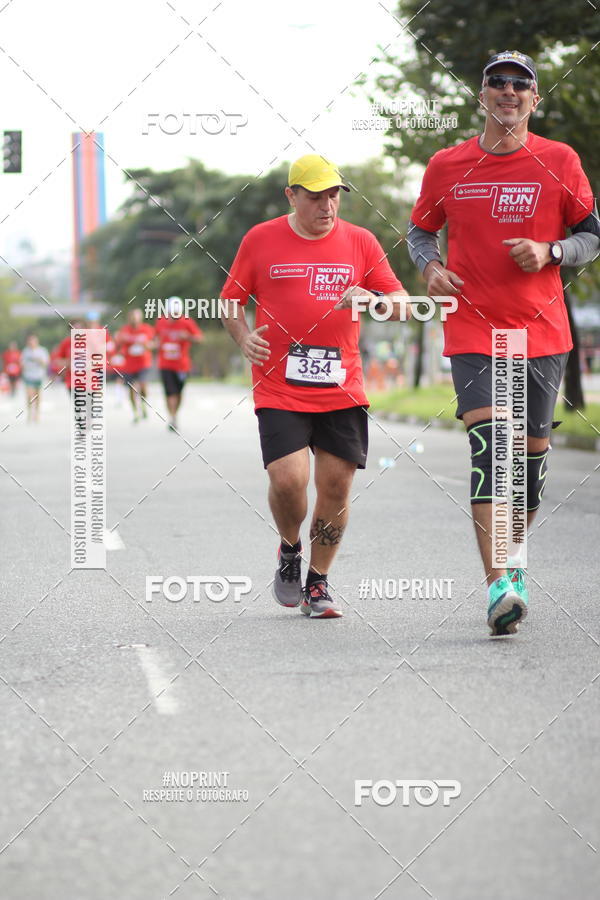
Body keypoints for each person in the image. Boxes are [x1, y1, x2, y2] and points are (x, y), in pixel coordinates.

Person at [407, 50, 600, 635]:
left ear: (534, 99)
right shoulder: (447, 164)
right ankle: (500, 583)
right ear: (483, 95)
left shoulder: (559, 161)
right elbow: (421, 231)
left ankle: (512, 563)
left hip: (542, 332)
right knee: (494, 452)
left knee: (531, 466)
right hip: (473, 328)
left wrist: (553, 252)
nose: (509, 92)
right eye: (498, 83)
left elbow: (591, 233)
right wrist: (429, 267)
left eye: (521, 85)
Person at [220, 154, 407, 619]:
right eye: (315, 196)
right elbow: (229, 301)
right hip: (279, 384)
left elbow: (402, 303)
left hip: (342, 387)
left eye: (334, 196)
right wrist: (244, 338)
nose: (327, 206)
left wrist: (376, 301)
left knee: (337, 487)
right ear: (291, 195)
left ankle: (318, 582)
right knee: (289, 481)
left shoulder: (361, 242)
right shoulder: (261, 239)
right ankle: (289, 548)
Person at [154, 296, 203, 431]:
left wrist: (187, 336)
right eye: (172, 314)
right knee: (169, 392)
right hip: (165, 364)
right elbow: (155, 338)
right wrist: (153, 344)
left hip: (182, 365)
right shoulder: (161, 321)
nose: (174, 317)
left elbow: (199, 338)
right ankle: (173, 417)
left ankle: (175, 414)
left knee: (179, 392)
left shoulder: (187, 321)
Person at [115, 309, 155, 422]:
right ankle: (135, 412)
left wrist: (148, 345)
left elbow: (154, 343)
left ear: (140, 318)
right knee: (131, 388)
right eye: (132, 317)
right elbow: (117, 344)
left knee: (143, 386)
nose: (134, 319)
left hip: (144, 363)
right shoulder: (125, 330)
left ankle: (143, 404)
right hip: (129, 365)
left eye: (136, 317)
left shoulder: (147, 329)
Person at [21, 334, 49, 423]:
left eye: (33, 341)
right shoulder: (25, 351)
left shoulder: (42, 350)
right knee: (29, 395)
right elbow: (22, 364)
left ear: (37, 341)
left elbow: (46, 364)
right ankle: (29, 412)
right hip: (28, 376)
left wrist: (38, 360)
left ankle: (36, 414)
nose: (32, 342)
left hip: (39, 376)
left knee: (37, 396)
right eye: (30, 341)